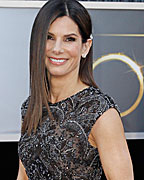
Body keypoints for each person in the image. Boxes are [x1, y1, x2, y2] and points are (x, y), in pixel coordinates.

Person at [17, 0, 134, 179]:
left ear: (85, 47)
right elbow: (23, 176)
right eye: (49, 37)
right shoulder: (31, 107)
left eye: (69, 39)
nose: (57, 49)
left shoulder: (100, 112)